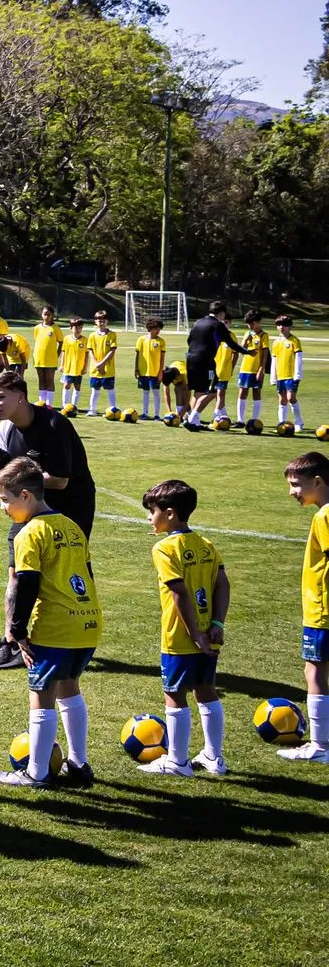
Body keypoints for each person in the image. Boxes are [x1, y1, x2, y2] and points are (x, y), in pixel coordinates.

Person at [0, 456, 101, 790]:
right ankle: (79, 764)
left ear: (25, 496)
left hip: (55, 626)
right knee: (70, 688)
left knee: (41, 695)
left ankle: (36, 772)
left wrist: (17, 631)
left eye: (5, 501)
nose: (3, 509)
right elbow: (88, 575)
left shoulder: (29, 534)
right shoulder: (71, 526)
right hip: (87, 623)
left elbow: (25, 584)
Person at [0, 369, 98, 669]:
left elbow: (59, 481)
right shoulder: (6, 428)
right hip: (28, 506)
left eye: (1, 397)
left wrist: (15, 472)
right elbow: (14, 470)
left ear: (21, 397)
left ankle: (81, 631)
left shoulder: (54, 424)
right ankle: (11, 641)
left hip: (71, 508)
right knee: (16, 571)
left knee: (71, 568)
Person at [140, 479, 229, 776]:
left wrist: (193, 635)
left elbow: (178, 592)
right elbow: (222, 584)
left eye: (151, 512)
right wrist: (216, 624)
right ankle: (214, 758)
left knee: (174, 694)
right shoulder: (205, 544)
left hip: (180, 636)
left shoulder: (165, 548)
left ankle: (177, 762)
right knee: (206, 690)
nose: (149, 518)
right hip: (209, 631)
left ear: (169, 513)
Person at [279, 452, 329, 764]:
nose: (292, 492)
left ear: (318, 481)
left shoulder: (324, 517)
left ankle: (320, 746)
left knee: (315, 672)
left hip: (322, 610)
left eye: (296, 485)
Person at [180, 300, 241, 428]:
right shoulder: (218, 325)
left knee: (199, 391)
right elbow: (231, 343)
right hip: (206, 361)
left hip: (191, 358)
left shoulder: (198, 322)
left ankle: (191, 418)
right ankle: (193, 418)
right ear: (221, 313)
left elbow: (189, 340)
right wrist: (247, 351)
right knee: (213, 391)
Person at [236, 310, 269, 426]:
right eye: (248, 324)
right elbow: (241, 350)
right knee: (242, 392)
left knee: (256, 393)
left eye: (252, 323)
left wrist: (261, 369)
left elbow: (265, 355)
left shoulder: (264, 336)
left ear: (259, 322)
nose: (250, 326)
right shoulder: (247, 334)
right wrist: (245, 340)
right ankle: (240, 420)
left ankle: (255, 420)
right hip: (245, 368)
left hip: (257, 369)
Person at [84, 309, 119, 417]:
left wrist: (102, 364)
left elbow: (112, 351)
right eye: (99, 320)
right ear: (95, 321)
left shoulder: (112, 335)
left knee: (110, 390)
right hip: (95, 369)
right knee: (95, 390)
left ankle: (113, 411)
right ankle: (92, 410)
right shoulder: (92, 335)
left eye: (104, 319)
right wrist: (96, 364)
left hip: (108, 369)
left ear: (107, 321)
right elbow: (90, 351)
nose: (101, 322)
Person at [272, 315, 305, 429]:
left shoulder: (294, 341)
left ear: (289, 326)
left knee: (291, 397)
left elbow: (299, 358)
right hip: (280, 375)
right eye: (279, 325)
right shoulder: (276, 342)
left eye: (284, 325)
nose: (281, 327)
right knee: (282, 400)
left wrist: (297, 374)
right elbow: (274, 360)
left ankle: (298, 422)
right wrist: (273, 376)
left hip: (291, 375)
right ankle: (282, 424)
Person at [135, 316, 168, 421]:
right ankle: (144, 413)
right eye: (156, 328)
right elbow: (137, 355)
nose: (158, 331)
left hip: (155, 372)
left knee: (156, 392)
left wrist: (160, 372)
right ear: (150, 328)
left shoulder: (161, 342)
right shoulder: (141, 340)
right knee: (145, 392)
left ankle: (157, 414)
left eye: (159, 329)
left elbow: (162, 358)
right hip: (143, 371)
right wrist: (136, 369)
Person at [31, 307, 62, 407]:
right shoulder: (37, 328)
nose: (46, 316)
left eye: (49, 314)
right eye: (45, 314)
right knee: (41, 380)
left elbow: (61, 342)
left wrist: (57, 354)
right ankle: (42, 402)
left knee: (49, 380)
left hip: (51, 359)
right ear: (41, 315)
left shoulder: (55, 329)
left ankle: (49, 404)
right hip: (39, 358)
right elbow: (38, 340)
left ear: (52, 315)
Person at [59, 318, 89, 410]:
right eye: (75, 327)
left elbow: (87, 355)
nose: (77, 329)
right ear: (71, 328)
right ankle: (64, 405)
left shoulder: (85, 340)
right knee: (67, 385)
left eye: (80, 327)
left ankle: (73, 406)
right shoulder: (67, 339)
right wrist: (61, 365)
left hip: (78, 368)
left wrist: (85, 367)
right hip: (68, 367)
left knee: (77, 386)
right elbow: (63, 352)